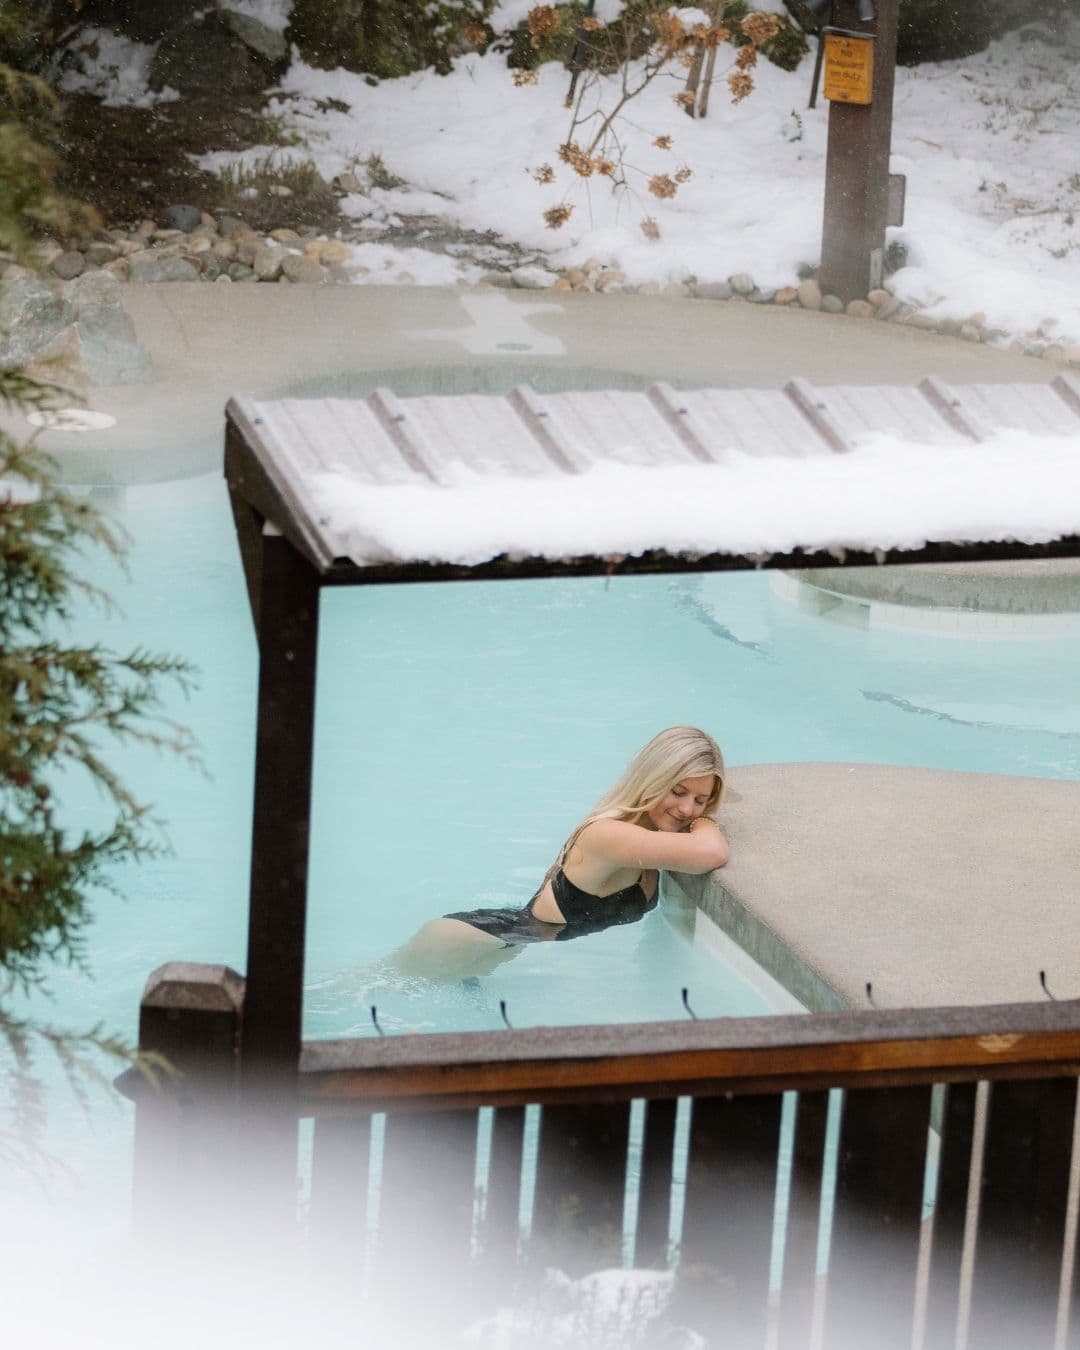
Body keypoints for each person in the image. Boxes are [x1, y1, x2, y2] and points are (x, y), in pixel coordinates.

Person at [391, 726, 728, 981]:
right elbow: (711, 852)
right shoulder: (609, 835)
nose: (687, 809)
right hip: (462, 941)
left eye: (701, 800)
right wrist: (704, 820)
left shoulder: (650, 835)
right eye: (678, 792)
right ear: (653, 779)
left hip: (495, 950)